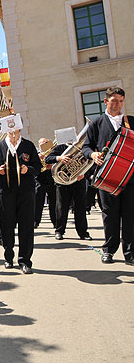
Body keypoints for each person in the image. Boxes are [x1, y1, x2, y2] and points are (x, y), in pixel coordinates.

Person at [82, 86, 134, 265]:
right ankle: (109, 250)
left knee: (130, 215)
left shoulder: (131, 121)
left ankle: (130, 253)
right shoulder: (96, 123)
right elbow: (86, 147)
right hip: (108, 176)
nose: (117, 104)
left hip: (130, 177)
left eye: (120, 101)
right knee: (110, 214)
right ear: (106, 101)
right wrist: (93, 155)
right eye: (114, 101)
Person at [0, 121, 41, 274]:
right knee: (6, 226)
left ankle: (25, 261)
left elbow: (38, 166)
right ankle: (8, 257)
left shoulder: (28, 145)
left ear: (19, 129)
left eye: (15, 129)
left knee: (26, 227)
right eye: (9, 129)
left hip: (26, 192)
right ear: (6, 130)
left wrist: (28, 169)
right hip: (5, 192)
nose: (13, 132)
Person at [45, 142, 91, 241]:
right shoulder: (60, 147)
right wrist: (59, 158)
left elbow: (90, 163)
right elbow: (47, 159)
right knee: (61, 208)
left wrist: (84, 174)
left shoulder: (83, 148)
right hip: (63, 182)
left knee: (80, 208)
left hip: (78, 182)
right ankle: (59, 231)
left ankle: (83, 233)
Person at [34, 138, 57, 228]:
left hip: (51, 180)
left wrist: (51, 165)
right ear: (39, 145)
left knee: (54, 203)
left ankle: (55, 222)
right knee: (37, 203)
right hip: (39, 180)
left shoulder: (52, 152)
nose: (44, 145)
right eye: (42, 143)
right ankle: (35, 221)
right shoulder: (36, 154)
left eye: (46, 143)